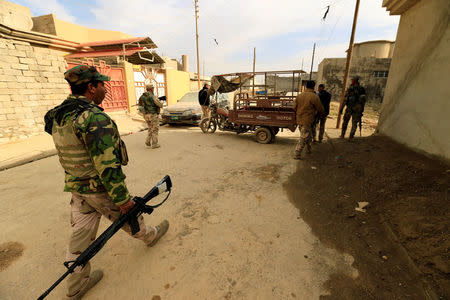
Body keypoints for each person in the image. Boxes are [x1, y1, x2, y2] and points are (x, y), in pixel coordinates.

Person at [44, 65, 169, 300]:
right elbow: (108, 168)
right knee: (131, 219)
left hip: (77, 188)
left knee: (80, 237)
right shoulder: (94, 119)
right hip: (100, 190)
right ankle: (151, 236)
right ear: (91, 88)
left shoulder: (57, 114)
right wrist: (123, 201)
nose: (105, 88)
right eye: (102, 84)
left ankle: (76, 285)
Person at [293, 80, 325, 160]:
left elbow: (294, 108)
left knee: (307, 135)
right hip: (307, 120)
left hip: (299, 119)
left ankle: (308, 149)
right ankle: (297, 153)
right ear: (313, 87)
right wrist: (320, 114)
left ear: (306, 86)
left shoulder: (299, 96)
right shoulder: (314, 96)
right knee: (304, 137)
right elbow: (320, 109)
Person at [340, 76, 366, 141]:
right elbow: (363, 100)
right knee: (354, 123)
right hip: (357, 109)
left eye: (352, 80)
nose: (351, 81)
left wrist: (341, 108)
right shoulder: (362, 89)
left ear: (354, 81)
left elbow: (345, 99)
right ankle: (351, 137)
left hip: (350, 108)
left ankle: (343, 135)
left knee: (345, 121)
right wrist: (362, 109)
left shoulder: (350, 89)